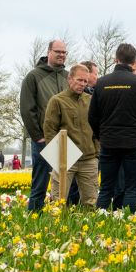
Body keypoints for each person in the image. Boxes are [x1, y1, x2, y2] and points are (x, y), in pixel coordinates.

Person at [91, 43, 136, 210]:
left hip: (108, 143)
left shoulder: (101, 83)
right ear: (133, 61)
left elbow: (92, 116)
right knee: (133, 188)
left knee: (106, 188)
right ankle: (128, 225)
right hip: (134, 143)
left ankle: (99, 224)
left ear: (116, 59)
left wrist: (101, 135)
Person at [20, 39, 70, 212]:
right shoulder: (34, 76)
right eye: (58, 52)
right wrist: (38, 136)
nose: (61, 55)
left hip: (66, 139)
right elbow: (27, 109)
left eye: (64, 52)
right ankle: (34, 219)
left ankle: (64, 219)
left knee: (66, 184)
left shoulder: (68, 77)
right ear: (49, 52)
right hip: (44, 139)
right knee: (40, 184)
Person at [43, 64, 100, 207]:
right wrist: (58, 158)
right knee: (58, 203)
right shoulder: (57, 101)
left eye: (85, 81)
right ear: (69, 79)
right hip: (65, 160)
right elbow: (50, 131)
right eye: (79, 80)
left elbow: (98, 128)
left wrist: (96, 153)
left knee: (91, 203)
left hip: (89, 159)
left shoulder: (91, 100)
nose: (82, 84)